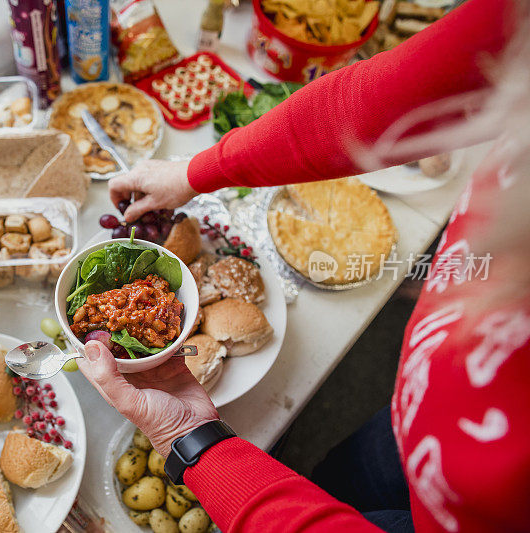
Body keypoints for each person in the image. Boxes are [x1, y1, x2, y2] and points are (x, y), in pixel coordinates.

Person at [76, 0, 530, 531]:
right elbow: (377, 99)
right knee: (341, 477)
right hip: (422, 412)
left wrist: (194, 445)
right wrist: (200, 170)